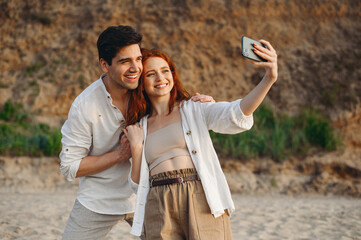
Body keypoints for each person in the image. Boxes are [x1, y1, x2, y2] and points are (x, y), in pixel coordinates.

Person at [59, 25, 213, 240]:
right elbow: (69, 166)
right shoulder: (84, 106)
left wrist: (203, 103)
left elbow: (175, 105)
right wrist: (120, 155)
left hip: (150, 194)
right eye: (124, 62)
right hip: (99, 200)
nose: (135, 68)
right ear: (105, 65)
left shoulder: (147, 86)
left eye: (138, 59)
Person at [123, 41, 278, 239]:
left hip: (199, 194)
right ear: (141, 82)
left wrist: (269, 79)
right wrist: (136, 148)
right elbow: (137, 185)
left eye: (165, 70)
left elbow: (235, 114)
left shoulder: (194, 108)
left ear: (173, 74)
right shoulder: (139, 127)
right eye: (151, 74)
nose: (160, 78)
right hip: (157, 200)